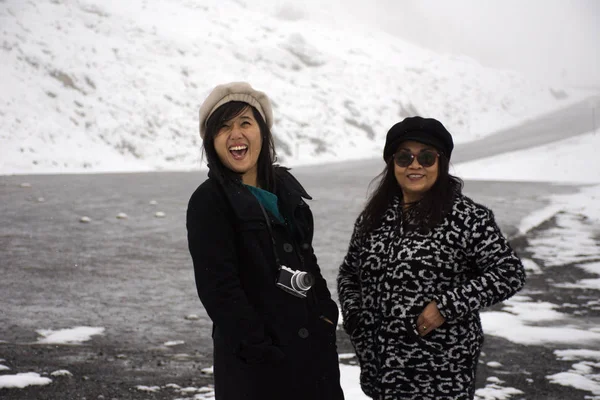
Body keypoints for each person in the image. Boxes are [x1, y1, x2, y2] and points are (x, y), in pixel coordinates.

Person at [337, 116, 526, 400]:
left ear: (441, 162)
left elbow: (508, 273)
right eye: (404, 157)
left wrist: (446, 307)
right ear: (392, 164)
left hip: (440, 374)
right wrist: (355, 318)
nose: (415, 165)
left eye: (426, 157)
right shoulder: (373, 218)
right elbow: (349, 274)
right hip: (381, 374)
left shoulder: (466, 218)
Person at [186, 82, 344, 400]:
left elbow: (306, 260)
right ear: (211, 141)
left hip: (314, 360)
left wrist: (326, 314)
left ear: (263, 131)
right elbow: (220, 290)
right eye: (224, 127)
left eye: (245, 123)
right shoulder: (210, 201)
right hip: (256, 371)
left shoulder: (284, 188)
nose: (236, 135)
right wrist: (261, 350)